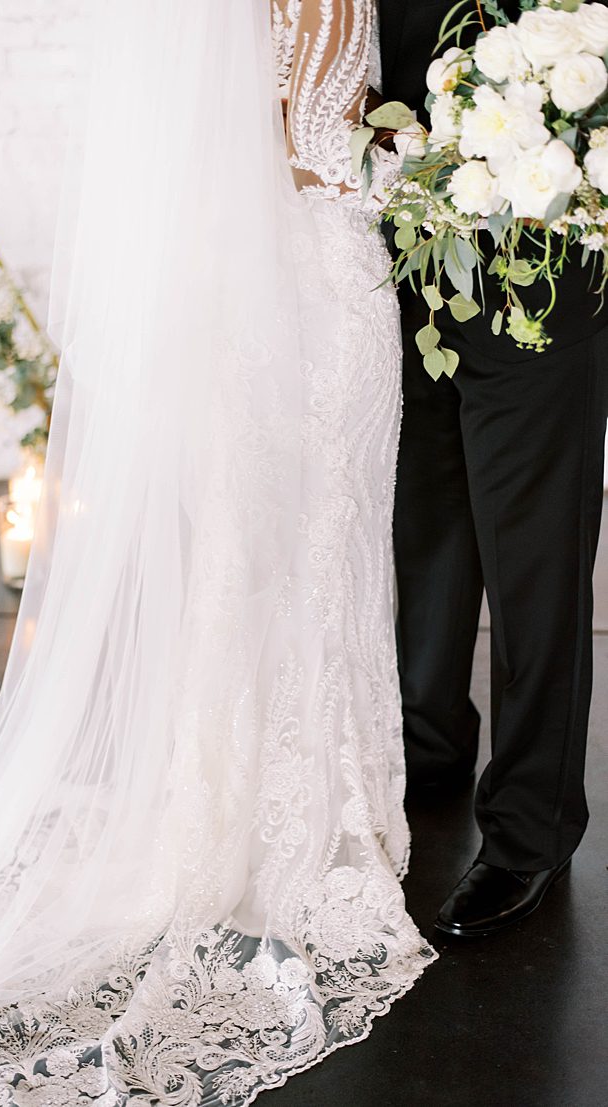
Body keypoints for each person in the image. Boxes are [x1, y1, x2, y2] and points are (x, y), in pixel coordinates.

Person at [0, 2, 436, 1104]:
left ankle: (262, 800)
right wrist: (414, 175)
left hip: (276, 296)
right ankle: (298, 821)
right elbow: (309, 155)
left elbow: (285, 125)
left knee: (290, 559)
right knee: (309, 563)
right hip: (323, 283)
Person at [382, 0, 608, 939]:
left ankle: (529, 829)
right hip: (394, 226)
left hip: (541, 238)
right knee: (424, 510)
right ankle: (429, 746)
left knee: (533, 552)